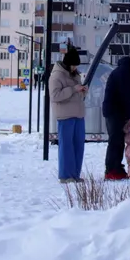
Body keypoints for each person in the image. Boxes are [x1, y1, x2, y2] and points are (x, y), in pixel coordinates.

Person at [102, 47, 130, 180]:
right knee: (115, 140)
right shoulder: (124, 73)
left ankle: (117, 168)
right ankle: (111, 170)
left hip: (117, 110)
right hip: (114, 111)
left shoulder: (128, 72)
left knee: (119, 140)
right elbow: (124, 96)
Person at [49, 44, 88, 183]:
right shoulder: (56, 76)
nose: (75, 68)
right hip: (65, 115)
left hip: (78, 114)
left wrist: (83, 91)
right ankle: (66, 175)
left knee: (78, 146)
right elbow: (54, 95)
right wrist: (73, 89)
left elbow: (77, 92)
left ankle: (75, 174)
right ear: (67, 64)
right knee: (67, 146)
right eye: (73, 65)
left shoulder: (75, 75)